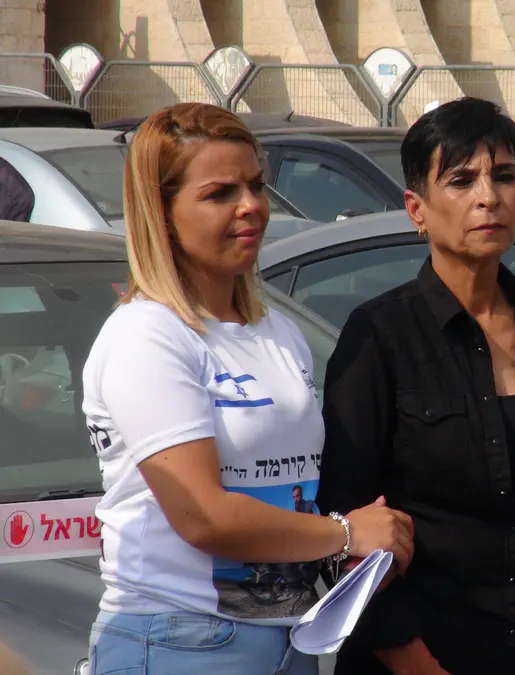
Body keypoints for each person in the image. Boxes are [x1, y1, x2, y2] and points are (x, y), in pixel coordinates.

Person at [81, 103, 414, 675]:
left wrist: (359, 547)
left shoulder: (279, 331)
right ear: (162, 213)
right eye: (219, 193)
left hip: (289, 639)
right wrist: (344, 533)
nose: (251, 206)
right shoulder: (147, 334)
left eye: (256, 186)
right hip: (179, 640)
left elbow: (299, 490)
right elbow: (204, 517)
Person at [317, 97, 515, 675]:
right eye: (462, 181)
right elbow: (346, 528)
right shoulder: (380, 335)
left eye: (505, 176)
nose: (489, 197)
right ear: (416, 208)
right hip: (412, 657)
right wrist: (414, 664)